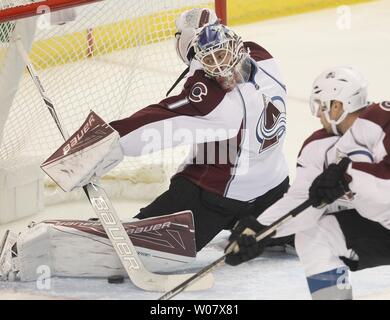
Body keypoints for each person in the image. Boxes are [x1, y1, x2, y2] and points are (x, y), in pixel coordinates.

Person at [1, 17, 291, 282]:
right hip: (274, 189)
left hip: (211, 200)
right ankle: (270, 229)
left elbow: (154, 123)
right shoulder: (265, 58)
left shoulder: (212, 98)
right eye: (210, 59)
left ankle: (21, 250)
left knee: (134, 242)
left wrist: (90, 149)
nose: (219, 67)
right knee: (305, 217)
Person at [225, 65, 390, 299]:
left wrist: (349, 176)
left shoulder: (384, 122)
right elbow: (301, 200)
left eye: (322, 106)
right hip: (383, 230)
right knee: (314, 234)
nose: (317, 114)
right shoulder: (317, 147)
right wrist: (260, 231)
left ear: (337, 106)